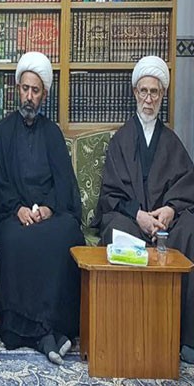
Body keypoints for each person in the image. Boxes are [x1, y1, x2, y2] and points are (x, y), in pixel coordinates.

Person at [0, 52, 85, 364]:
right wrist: (18, 209)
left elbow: (64, 182)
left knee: (69, 233)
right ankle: (34, 331)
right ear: (18, 89)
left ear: (44, 95)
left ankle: (55, 328)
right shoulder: (3, 131)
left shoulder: (52, 133)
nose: (29, 96)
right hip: (14, 216)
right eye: (25, 88)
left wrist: (49, 209)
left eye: (35, 91)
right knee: (15, 239)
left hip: (47, 217)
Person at [92, 55, 194, 364]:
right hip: (131, 219)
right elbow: (110, 194)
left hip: (165, 223)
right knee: (116, 230)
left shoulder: (172, 142)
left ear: (162, 96)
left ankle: (181, 335)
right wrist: (139, 215)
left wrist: (170, 210)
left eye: (155, 93)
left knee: (190, 229)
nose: (148, 100)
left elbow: (186, 187)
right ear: (135, 92)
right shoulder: (121, 140)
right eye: (144, 91)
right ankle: (125, 330)